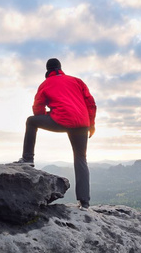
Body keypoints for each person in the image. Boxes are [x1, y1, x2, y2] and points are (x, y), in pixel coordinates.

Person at [14, 58, 97, 210]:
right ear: (60, 68)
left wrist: (44, 116)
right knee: (80, 158)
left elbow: (38, 105)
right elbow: (90, 103)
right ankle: (84, 203)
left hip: (62, 120)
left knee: (31, 121)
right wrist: (91, 124)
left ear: (47, 70)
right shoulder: (77, 81)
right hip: (82, 124)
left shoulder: (45, 84)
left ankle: (28, 159)